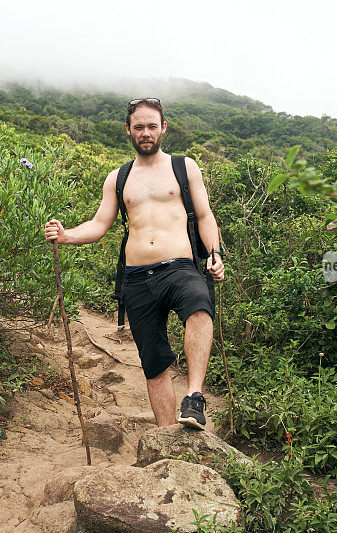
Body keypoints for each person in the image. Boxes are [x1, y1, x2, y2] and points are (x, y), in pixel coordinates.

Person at [44, 97, 224, 430]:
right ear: (128, 130)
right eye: (138, 127)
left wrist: (214, 253)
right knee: (154, 363)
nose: (145, 133)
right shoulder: (119, 178)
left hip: (180, 267)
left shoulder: (185, 168)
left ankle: (195, 397)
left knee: (200, 304)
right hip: (137, 278)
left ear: (163, 128)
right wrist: (66, 235)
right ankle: (168, 436)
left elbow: (204, 215)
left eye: (152, 126)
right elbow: (100, 224)